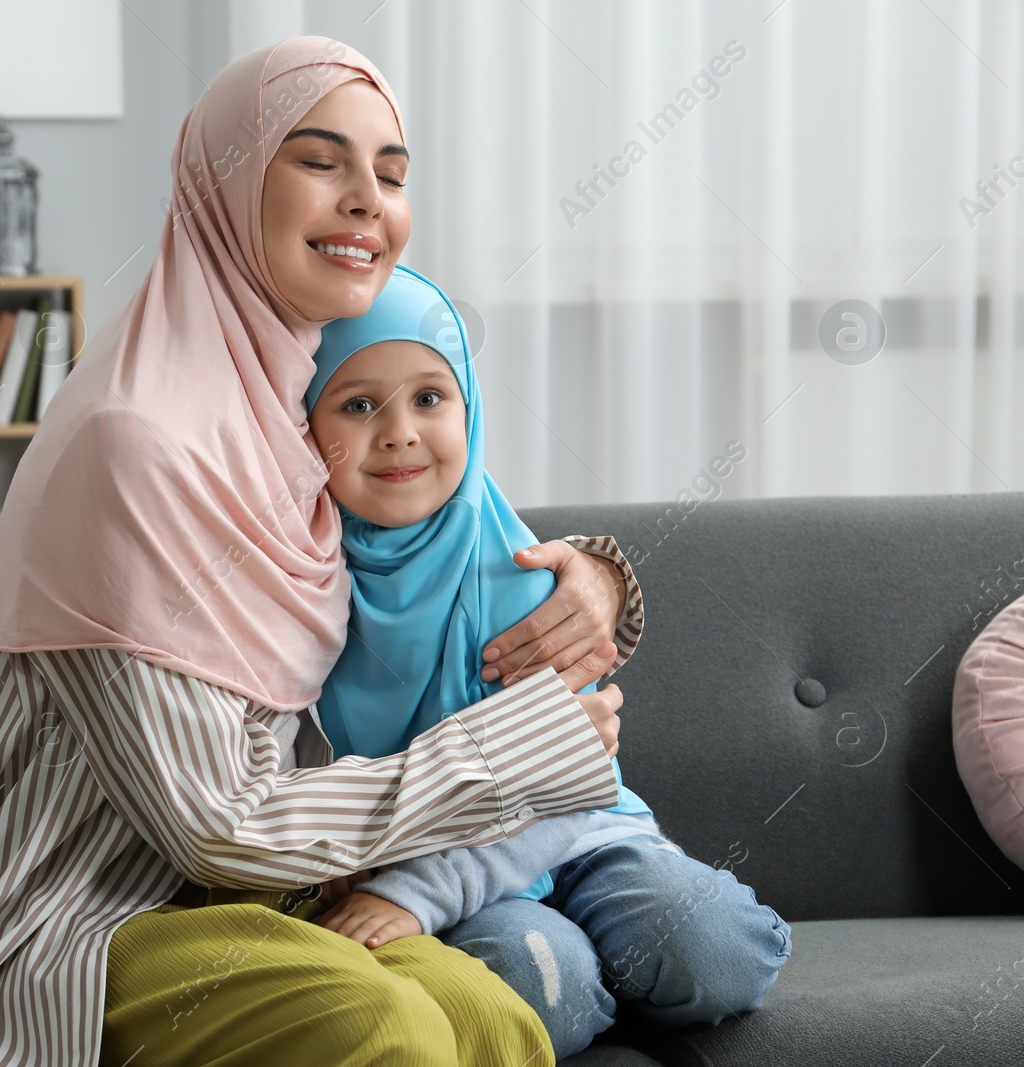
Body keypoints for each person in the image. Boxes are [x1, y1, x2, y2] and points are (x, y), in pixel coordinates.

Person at [0, 36, 647, 1067]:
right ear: (223, 181)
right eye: (317, 160)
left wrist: (600, 574)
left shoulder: (281, 415)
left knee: (483, 1013)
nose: (365, 199)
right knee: (385, 1026)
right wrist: (530, 747)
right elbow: (214, 821)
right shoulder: (138, 439)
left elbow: (452, 546)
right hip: (84, 922)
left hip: (261, 897)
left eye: (390, 173)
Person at [301, 263, 794, 1059]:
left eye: (430, 397)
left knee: (716, 949)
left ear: (471, 408)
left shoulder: (528, 575)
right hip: (436, 875)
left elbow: (563, 787)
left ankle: (624, 963)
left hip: (574, 837)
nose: (399, 432)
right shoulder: (292, 589)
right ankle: (599, 977)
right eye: (358, 405)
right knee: (537, 987)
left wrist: (417, 894)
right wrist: (415, 891)